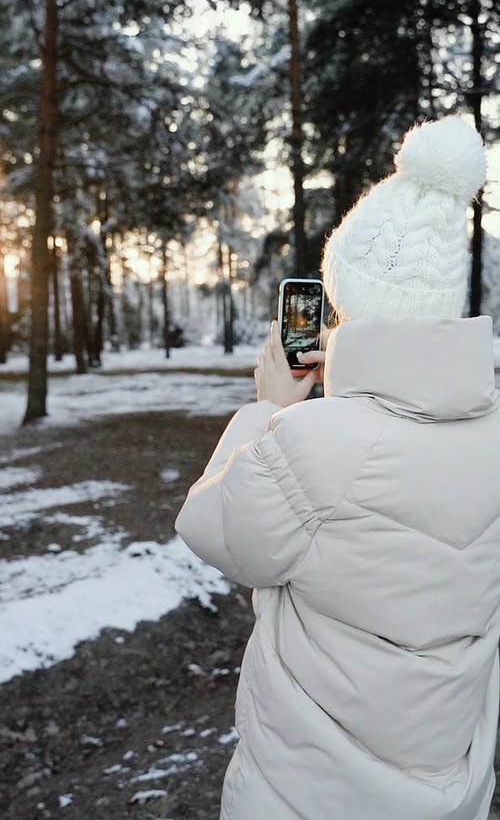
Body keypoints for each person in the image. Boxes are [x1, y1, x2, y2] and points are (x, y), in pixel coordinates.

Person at [175, 115, 500, 820]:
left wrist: (268, 408)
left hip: (310, 798)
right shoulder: (492, 428)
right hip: (453, 784)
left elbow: (211, 526)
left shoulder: (314, 443)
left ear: (353, 305)